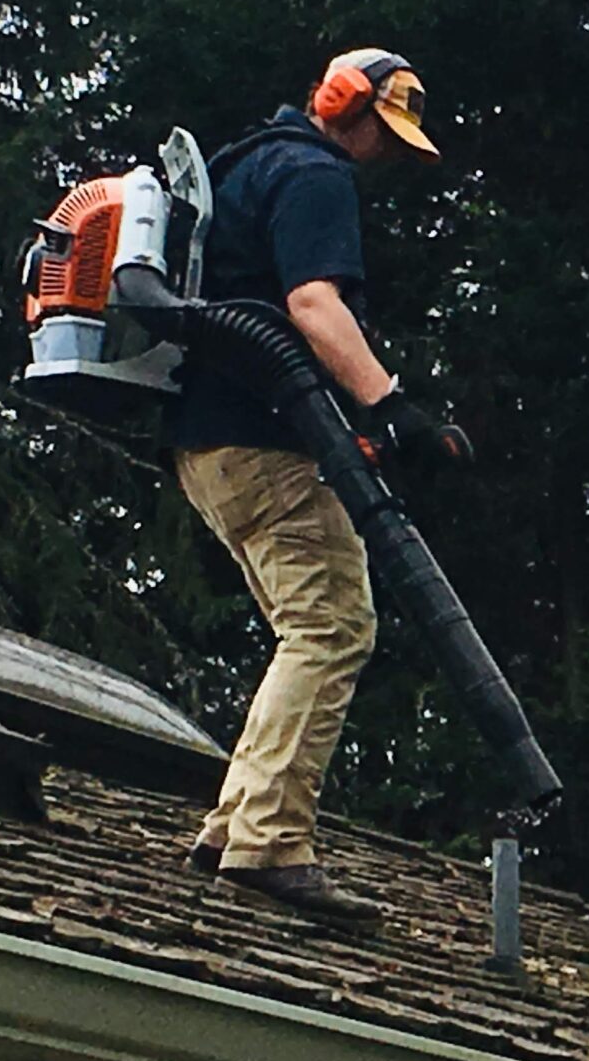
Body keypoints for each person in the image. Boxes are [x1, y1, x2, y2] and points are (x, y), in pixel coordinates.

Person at [171, 46, 472, 927]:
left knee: (310, 626)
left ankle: (234, 826)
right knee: (334, 624)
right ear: (344, 103)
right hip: (264, 442)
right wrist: (394, 407)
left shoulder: (242, 167)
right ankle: (267, 843)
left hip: (206, 447)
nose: (382, 150)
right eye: (381, 128)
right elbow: (312, 304)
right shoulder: (312, 175)